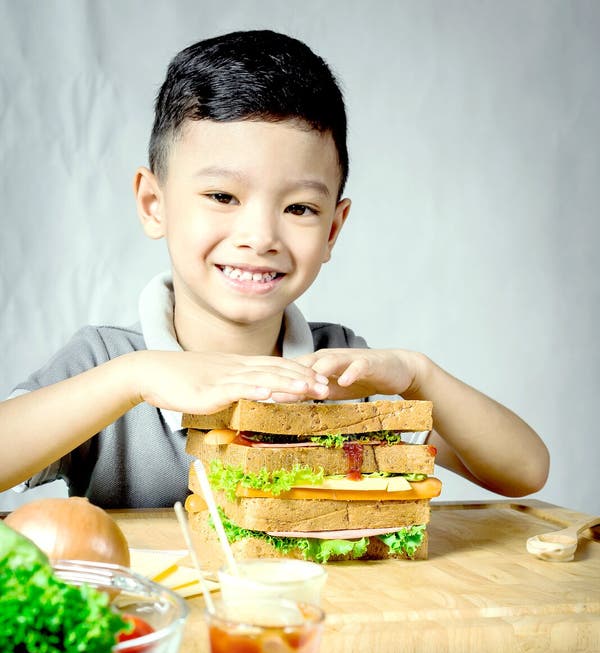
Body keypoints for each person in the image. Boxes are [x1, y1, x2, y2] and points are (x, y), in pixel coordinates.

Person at [0, 30, 549, 507]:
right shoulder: (107, 361)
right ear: (154, 204)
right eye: (221, 195)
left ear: (333, 229)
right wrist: (135, 378)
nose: (260, 237)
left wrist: (419, 374)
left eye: (300, 209)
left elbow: (524, 471)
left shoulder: (341, 373)